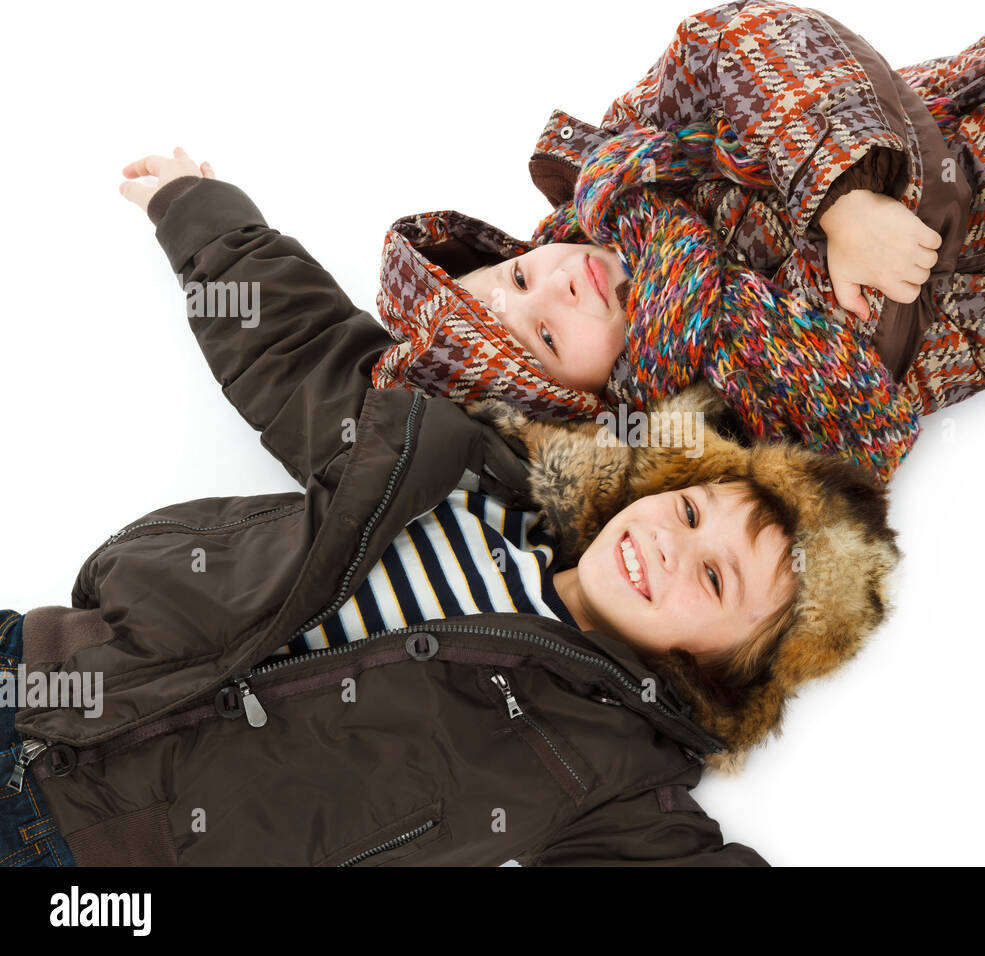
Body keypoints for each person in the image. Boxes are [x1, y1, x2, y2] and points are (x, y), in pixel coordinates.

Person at [0, 155, 903, 866]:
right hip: (50, 668)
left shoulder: (612, 770)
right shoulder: (466, 471)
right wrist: (201, 215)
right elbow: (306, 353)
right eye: (695, 510)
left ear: (722, 672)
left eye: (713, 578)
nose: (671, 543)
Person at [366, 0, 985, 487]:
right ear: (569, 403)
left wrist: (840, 199)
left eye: (520, 273)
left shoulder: (626, 169)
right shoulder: (705, 421)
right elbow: (863, 429)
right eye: (542, 338)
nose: (557, 288)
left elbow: (744, 38)